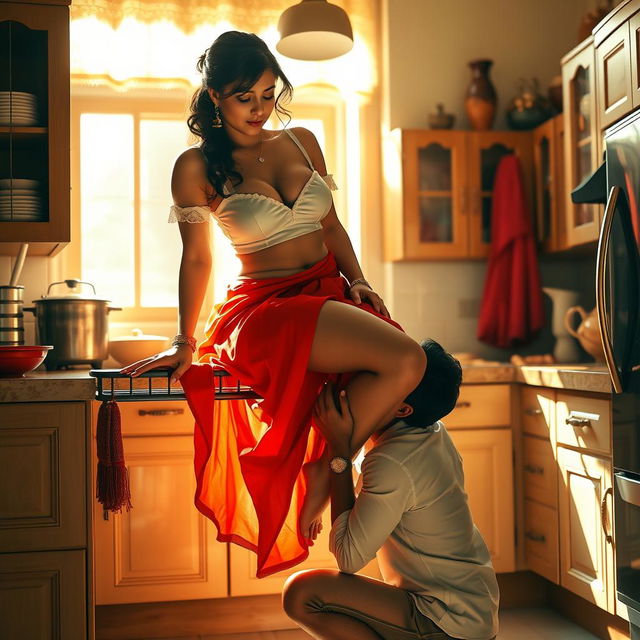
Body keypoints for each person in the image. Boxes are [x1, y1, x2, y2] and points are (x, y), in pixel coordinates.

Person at [119, 31, 427, 578]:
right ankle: (328, 465)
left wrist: (360, 282)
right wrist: (183, 341)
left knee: (410, 374)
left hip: (330, 292)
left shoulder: (305, 140)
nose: (260, 109)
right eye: (245, 97)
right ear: (215, 96)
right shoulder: (195, 167)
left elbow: (330, 225)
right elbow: (198, 261)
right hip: (264, 310)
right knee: (408, 360)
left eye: (267, 94)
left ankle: (332, 462)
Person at [283, 339, 499, 640]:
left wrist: (338, 450)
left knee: (301, 594)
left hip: (447, 619)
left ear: (402, 408)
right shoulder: (429, 431)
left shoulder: (394, 461)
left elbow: (349, 558)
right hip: (471, 606)